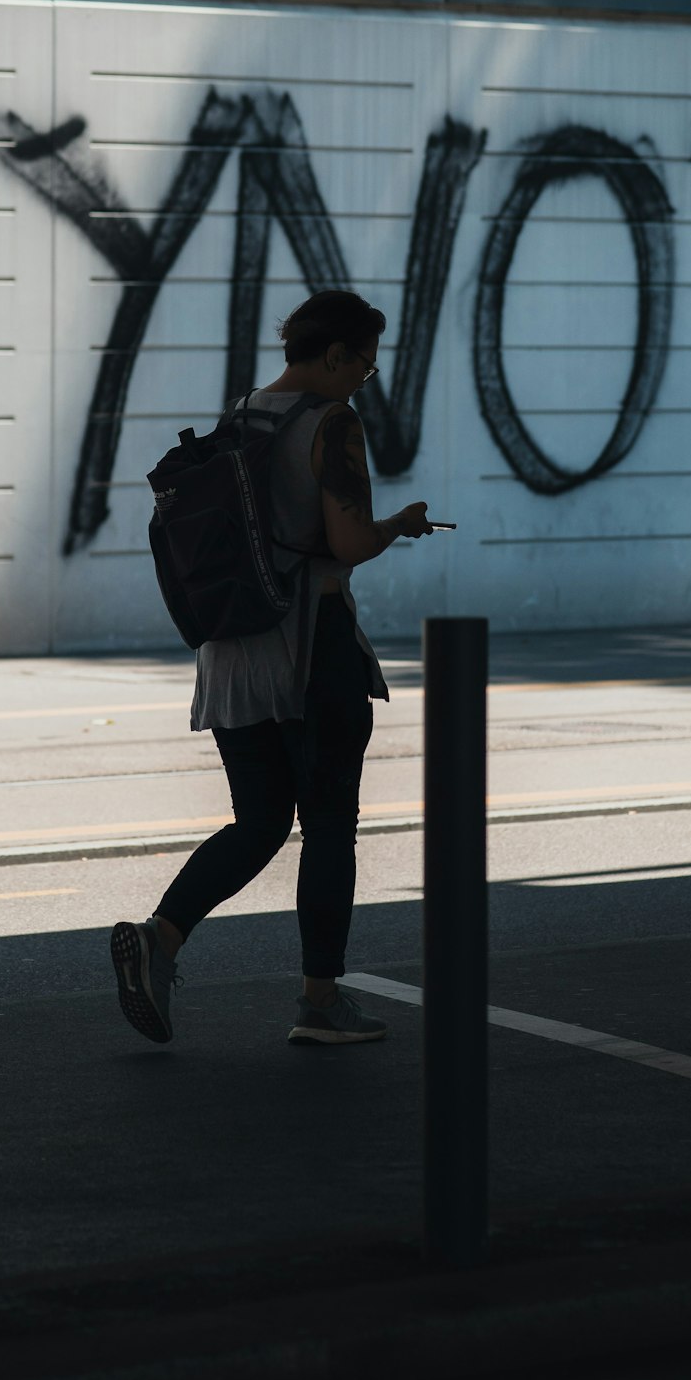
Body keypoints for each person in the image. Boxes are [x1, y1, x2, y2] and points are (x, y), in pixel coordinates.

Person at [110, 287, 437, 1047]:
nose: (366, 377)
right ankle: (320, 1003)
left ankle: (160, 938)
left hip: (232, 648)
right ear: (334, 355)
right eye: (364, 363)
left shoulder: (243, 411)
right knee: (329, 827)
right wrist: (402, 523)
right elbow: (349, 543)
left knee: (259, 820)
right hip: (309, 646)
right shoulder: (333, 423)